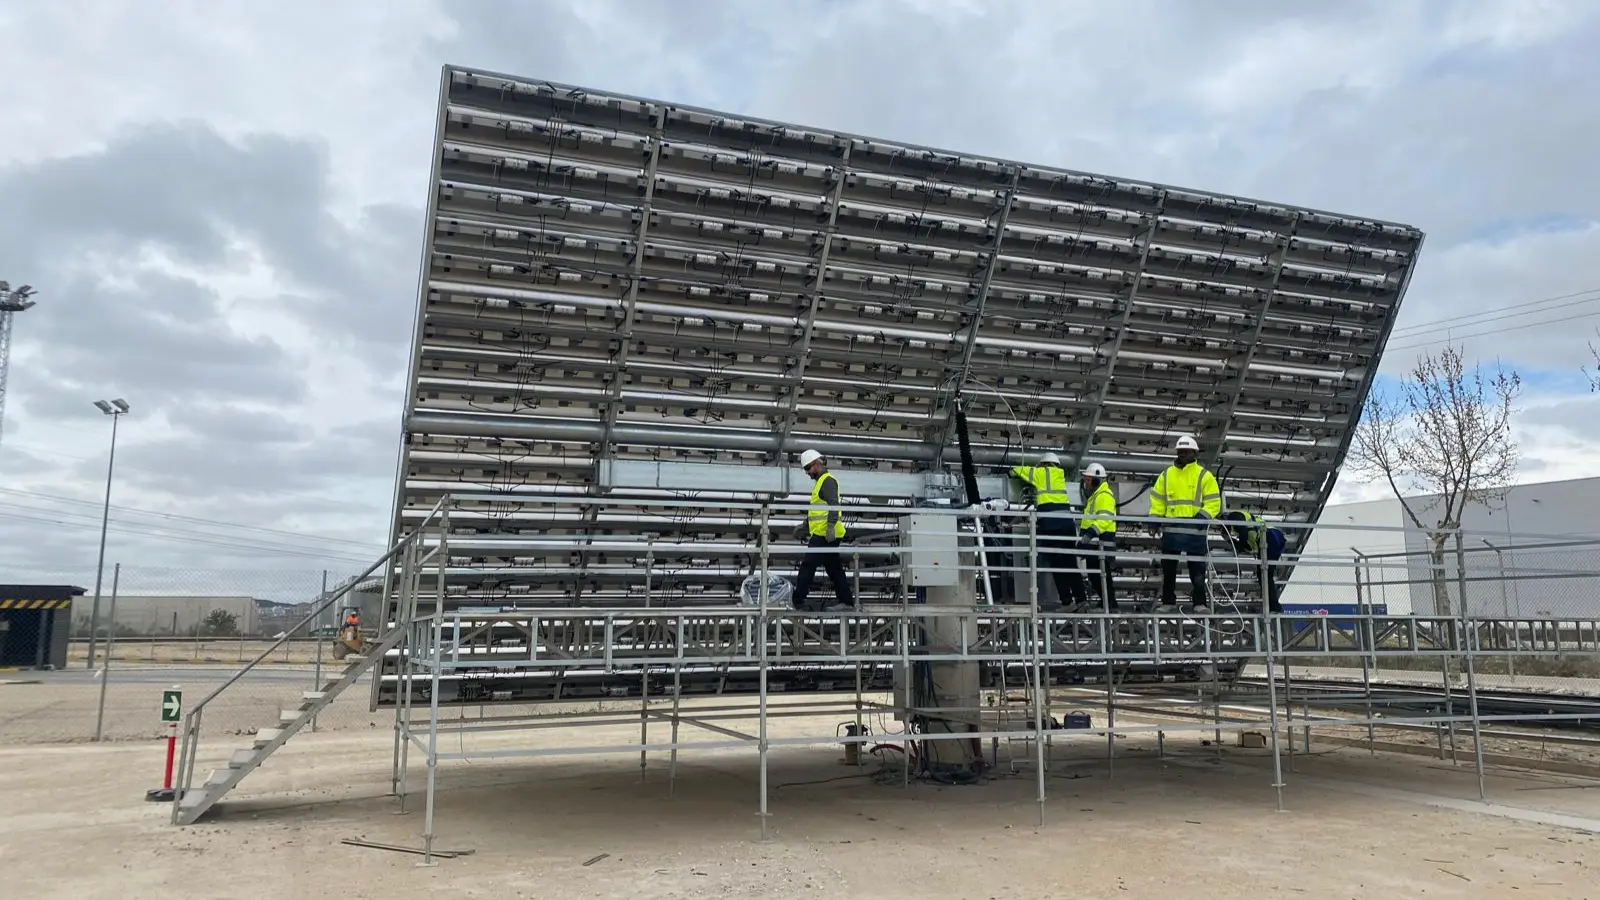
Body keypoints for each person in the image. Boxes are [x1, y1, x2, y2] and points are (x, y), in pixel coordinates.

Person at [1147, 435, 1222, 613]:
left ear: (1194, 453)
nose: (1181, 454)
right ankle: (1168, 602)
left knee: (1197, 573)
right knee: (1169, 571)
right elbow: (1157, 501)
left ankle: (1199, 603)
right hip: (1172, 532)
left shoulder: (1204, 476)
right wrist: (1154, 521)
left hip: (1195, 532)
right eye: (1180, 451)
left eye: (1185, 451)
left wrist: (1201, 519)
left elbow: (1214, 502)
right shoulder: (1166, 475)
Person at [1009, 451, 1087, 611]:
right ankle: (1081, 599)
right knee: (1070, 563)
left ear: (1044, 464)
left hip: (1051, 523)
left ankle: (1067, 601)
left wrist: (1011, 471)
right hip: (1067, 523)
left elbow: (1020, 469)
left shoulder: (1040, 473)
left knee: (1056, 563)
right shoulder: (1060, 476)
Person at [790, 449, 856, 612]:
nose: (807, 473)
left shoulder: (827, 481)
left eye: (808, 468)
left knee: (808, 565)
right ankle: (847, 602)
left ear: (817, 464)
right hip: (824, 532)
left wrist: (831, 527)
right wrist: (805, 525)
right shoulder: (820, 482)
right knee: (833, 567)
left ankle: (798, 601)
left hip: (825, 533)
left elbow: (834, 505)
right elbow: (819, 510)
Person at [1222, 510, 1286, 613]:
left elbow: (1243, 535)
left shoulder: (1233, 516)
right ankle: (1274, 606)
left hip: (1268, 536)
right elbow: (1245, 547)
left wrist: (1228, 535)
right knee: (1265, 575)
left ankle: (1274, 607)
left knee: (1265, 574)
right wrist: (1229, 539)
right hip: (1274, 538)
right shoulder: (1245, 531)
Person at [1078, 462, 1117, 610]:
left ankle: (1110, 603)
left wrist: (1091, 533)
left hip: (1101, 541)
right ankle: (1106, 602)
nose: (1086, 483)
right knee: (1096, 574)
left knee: (1101, 575)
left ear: (1097, 480)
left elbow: (1105, 519)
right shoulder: (1096, 496)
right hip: (1094, 542)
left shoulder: (1104, 496)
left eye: (1088, 480)